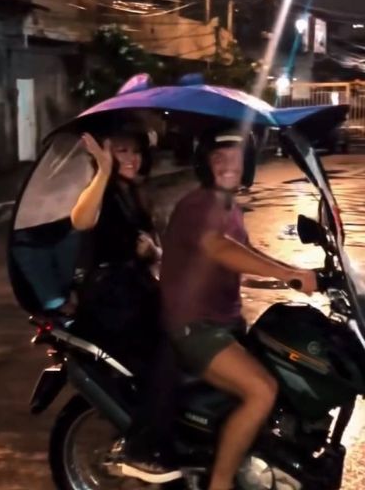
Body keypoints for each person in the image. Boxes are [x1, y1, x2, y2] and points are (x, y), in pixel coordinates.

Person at [159, 127, 317, 490]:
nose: (226, 164)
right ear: (205, 163)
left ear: (246, 163)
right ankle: (221, 482)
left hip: (224, 321)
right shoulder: (202, 204)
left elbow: (245, 257)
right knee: (262, 390)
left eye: (234, 156)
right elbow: (217, 248)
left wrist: (291, 278)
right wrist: (288, 272)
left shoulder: (229, 206)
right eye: (217, 157)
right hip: (194, 327)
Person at [69, 125, 180, 483]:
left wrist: (154, 253)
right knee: (170, 349)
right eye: (120, 151)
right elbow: (81, 219)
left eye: (134, 151)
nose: (130, 158)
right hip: (111, 303)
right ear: (104, 153)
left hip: (136, 292)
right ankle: (144, 448)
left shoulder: (134, 193)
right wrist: (102, 170)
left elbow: (149, 248)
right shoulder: (103, 190)